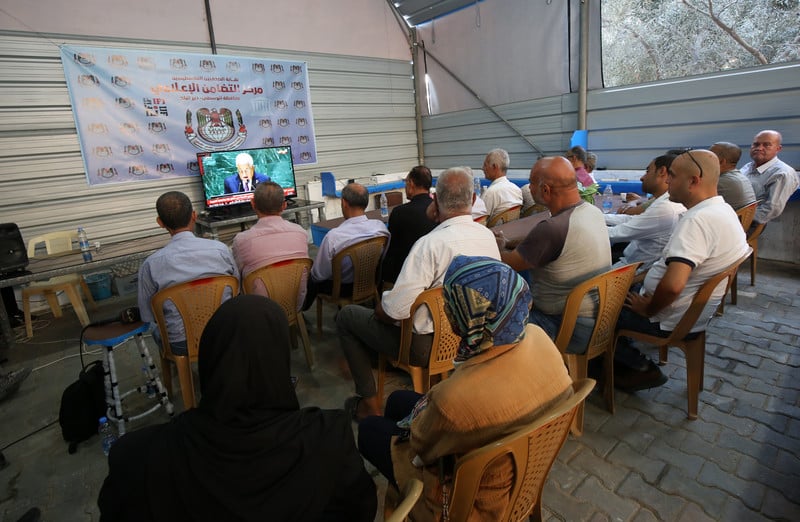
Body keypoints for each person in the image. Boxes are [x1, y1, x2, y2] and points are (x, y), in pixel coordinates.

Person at [98, 295, 377, 521]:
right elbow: (361, 509)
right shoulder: (330, 436)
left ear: (210, 361)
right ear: (279, 364)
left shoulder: (137, 458)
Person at [357, 256, 573, 522]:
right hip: (520, 465)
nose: (447, 314)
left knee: (368, 429)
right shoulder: (540, 338)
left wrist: (422, 420)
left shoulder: (453, 400)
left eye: (451, 306)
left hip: (468, 502)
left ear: (470, 318)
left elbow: (421, 448)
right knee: (399, 400)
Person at [337, 167, 500, 420]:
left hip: (428, 347)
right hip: (473, 336)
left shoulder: (430, 245)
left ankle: (369, 405)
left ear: (435, 201)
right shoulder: (487, 236)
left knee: (348, 317)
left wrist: (379, 310)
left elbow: (395, 311)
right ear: (474, 199)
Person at [613, 150, 750, 391]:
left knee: (593, 310)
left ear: (694, 180)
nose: (667, 182)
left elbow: (674, 285)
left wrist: (648, 309)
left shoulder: (697, 221)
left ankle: (637, 368)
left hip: (664, 317)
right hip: (690, 315)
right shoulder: (723, 211)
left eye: (673, 177)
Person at [497, 156, 611, 354]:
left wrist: (499, 246)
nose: (529, 187)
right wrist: (510, 243)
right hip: (600, 322)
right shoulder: (592, 211)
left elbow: (508, 262)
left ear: (545, 190)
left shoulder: (552, 229)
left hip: (565, 327)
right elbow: (539, 243)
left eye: (531, 182)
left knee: (493, 320)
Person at [138, 191, 239, 355]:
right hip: (226, 332)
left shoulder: (151, 264)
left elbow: (148, 315)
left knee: (156, 331)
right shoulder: (220, 250)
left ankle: (181, 373)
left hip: (181, 344)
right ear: (194, 216)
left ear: (160, 223)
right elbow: (236, 288)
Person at [302, 182, 389, 309]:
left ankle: (301, 311)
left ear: (344, 203)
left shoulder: (334, 237)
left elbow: (319, 274)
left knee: (311, 277)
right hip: (371, 282)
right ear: (365, 203)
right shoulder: (380, 228)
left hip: (342, 289)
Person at [604, 154, 686, 272]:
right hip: (633, 262)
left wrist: (580, 223)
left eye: (648, 171)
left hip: (631, 273)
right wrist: (596, 216)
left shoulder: (666, 208)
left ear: (662, 172)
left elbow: (616, 234)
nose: (642, 177)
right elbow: (631, 220)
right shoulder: (666, 201)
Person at [232, 181, 309, 296]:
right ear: (284, 205)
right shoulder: (301, 233)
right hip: (296, 304)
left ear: (253, 204)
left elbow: (237, 279)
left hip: (260, 308)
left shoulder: (242, 241)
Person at [380, 166, 436, 286]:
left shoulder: (399, 212)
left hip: (402, 274)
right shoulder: (438, 209)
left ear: (411, 184)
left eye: (406, 183)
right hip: (432, 271)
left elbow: (391, 247)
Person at [740, 130, 799, 226]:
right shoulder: (747, 167)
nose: (759, 148)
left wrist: (735, 219)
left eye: (766, 145)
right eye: (756, 144)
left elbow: (771, 209)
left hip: (748, 224)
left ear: (778, 148)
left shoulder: (782, 173)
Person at [709, 141, 756, 210]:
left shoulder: (722, 182)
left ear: (722, 161)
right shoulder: (739, 176)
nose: (706, 159)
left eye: (710, 156)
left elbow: (692, 203)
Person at [480, 148, 523, 221]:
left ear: (494, 167)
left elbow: (480, 222)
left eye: (485, 165)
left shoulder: (490, 193)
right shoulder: (517, 190)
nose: (482, 168)